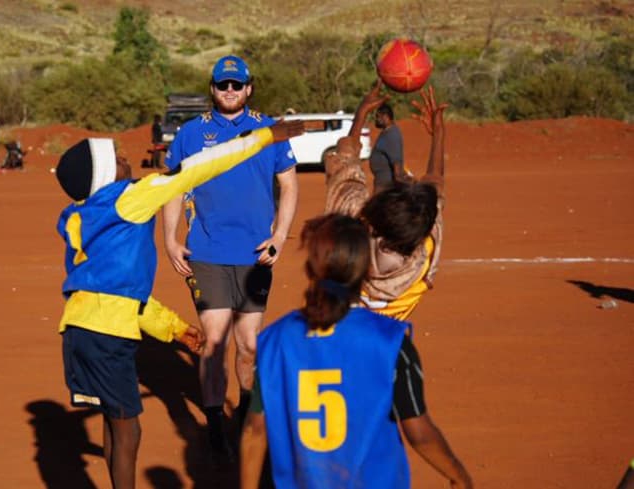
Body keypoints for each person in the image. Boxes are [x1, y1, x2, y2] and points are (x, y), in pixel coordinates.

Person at [55, 120, 304, 489]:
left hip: (78, 329)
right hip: (108, 336)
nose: (127, 160)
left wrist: (175, 330)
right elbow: (197, 168)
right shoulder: (129, 198)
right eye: (119, 159)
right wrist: (266, 136)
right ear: (107, 174)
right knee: (128, 431)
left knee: (113, 420)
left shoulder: (81, 214)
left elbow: (117, 292)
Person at [240, 213, 473, 489]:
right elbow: (418, 432)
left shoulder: (274, 340)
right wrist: (459, 476)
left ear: (310, 269)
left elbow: (255, 432)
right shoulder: (390, 340)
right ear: (365, 270)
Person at [161, 54, 299, 463]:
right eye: (223, 85)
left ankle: (243, 414)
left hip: (257, 255)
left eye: (237, 85)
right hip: (206, 252)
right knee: (214, 339)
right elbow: (173, 187)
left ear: (249, 88)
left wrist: (279, 236)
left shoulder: (268, 130)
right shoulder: (190, 134)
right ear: (213, 89)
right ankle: (214, 426)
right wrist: (170, 239)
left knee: (249, 346)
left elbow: (288, 187)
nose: (230, 92)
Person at [324, 81, 448, 321]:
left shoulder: (348, 228)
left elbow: (344, 162)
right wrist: (439, 133)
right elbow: (436, 183)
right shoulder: (425, 255)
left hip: (335, 349)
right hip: (386, 353)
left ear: (370, 217)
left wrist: (361, 114)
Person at [368, 103, 411, 192]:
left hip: (386, 187)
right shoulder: (386, 133)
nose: (376, 120)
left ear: (385, 117)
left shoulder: (392, 135)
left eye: (378, 117)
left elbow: (397, 168)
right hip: (381, 183)